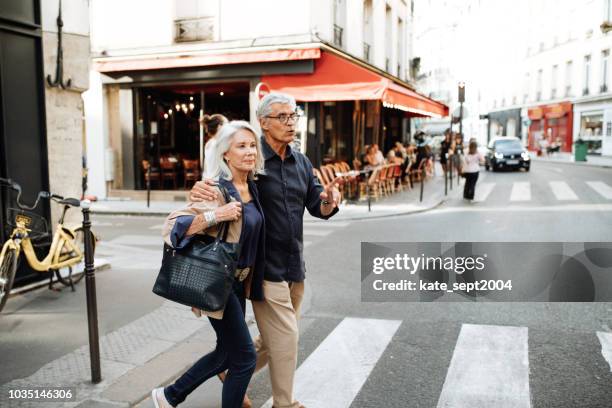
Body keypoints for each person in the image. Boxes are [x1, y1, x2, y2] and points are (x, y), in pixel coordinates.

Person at [190, 93, 341, 408]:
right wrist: (202, 189)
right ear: (263, 123)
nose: (290, 123)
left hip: (294, 264)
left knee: (277, 338)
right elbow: (221, 186)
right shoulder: (251, 158)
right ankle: (284, 403)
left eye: (293, 116)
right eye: (282, 117)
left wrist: (329, 201)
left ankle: (231, 369)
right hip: (262, 268)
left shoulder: (301, 161)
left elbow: (317, 205)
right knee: (286, 338)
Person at [153, 121, 266, 408]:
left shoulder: (253, 185)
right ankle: (171, 395)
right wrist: (217, 215)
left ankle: (170, 395)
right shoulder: (215, 190)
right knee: (244, 358)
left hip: (239, 283)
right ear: (226, 153)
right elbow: (172, 227)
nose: (250, 151)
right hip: (218, 281)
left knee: (226, 353)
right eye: (241, 145)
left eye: (252, 145)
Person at [202, 114, 229, 178]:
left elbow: (206, 167)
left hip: (209, 179)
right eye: (227, 125)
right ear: (220, 126)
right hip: (220, 182)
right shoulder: (221, 143)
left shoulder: (209, 143)